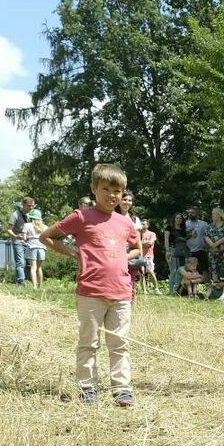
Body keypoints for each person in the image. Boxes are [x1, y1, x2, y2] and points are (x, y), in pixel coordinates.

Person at [40, 164, 142, 407]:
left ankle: (122, 389)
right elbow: (46, 236)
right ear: (94, 188)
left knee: (120, 343)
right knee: (89, 342)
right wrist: (74, 253)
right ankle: (87, 389)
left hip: (121, 292)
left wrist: (121, 258)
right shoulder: (81, 217)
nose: (112, 195)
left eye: (117, 191)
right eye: (105, 188)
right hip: (90, 292)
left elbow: (138, 247)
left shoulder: (125, 222)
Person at [6, 196, 35, 286]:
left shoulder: (30, 215)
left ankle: (27, 280)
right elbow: (8, 230)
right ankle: (21, 281)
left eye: (33, 206)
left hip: (28, 242)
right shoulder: (15, 215)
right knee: (20, 262)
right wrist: (15, 236)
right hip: (18, 242)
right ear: (23, 204)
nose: (31, 208)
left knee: (29, 263)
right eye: (29, 206)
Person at [204, 207, 224, 300]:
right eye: (212, 214)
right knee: (214, 271)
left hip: (223, 252)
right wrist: (212, 245)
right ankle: (215, 293)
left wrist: (217, 244)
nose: (212, 216)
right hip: (212, 252)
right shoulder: (210, 226)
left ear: (219, 215)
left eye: (214, 214)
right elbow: (206, 237)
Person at [129, 220, 160, 295]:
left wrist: (139, 243)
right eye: (141, 224)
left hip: (148, 256)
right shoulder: (138, 234)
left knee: (150, 271)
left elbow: (150, 243)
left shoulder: (152, 234)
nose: (142, 225)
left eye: (144, 224)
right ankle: (144, 291)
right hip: (139, 256)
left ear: (147, 225)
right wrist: (142, 244)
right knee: (141, 274)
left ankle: (156, 288)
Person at [164, 213, 190, 295]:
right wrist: (167, 250)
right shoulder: (169, 228)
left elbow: (184, 241)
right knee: (173, 271)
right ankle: (171, 290)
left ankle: (177, 290)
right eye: (177, 218)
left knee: (180, 271)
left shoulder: (183, 230)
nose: (179, 220)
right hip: (172, 250)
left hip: (182, 252)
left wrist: (191, 235)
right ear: (174, 219)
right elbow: (166, 239)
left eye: (180, 218)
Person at [23, 208, 47, 289]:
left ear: (30, 217)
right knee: (39, 267)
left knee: (33, 267)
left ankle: (34, 287)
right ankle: (40, 285)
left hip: (31, 246)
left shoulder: (27, 225)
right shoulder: (45, 227)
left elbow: (25, 238)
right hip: (42, 246)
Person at [185, 206, 210, 272]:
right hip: (189, 250)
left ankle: (207, 282)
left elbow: (208, 236)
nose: (190, 214)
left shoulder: (204, 224)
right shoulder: (185, 224)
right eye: (189, 213)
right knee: (190, 270)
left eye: (192, 212)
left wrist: (209, 248)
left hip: (202, 249)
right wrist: (190, 235)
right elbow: (182, 238)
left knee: (205, 269)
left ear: (197, 213)